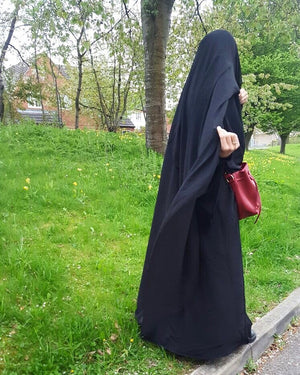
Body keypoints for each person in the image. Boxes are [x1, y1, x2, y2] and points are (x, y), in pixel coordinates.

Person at [135, 29, 256, 361]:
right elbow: (230, 150)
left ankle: (168, 318)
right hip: (214, 196)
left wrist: (236, 104)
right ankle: (215, 334)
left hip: (185, 187)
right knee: (215, 262)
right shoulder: (227, 91)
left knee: (186, 252)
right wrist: (235, 107)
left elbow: (199, 135)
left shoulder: (191, 94)